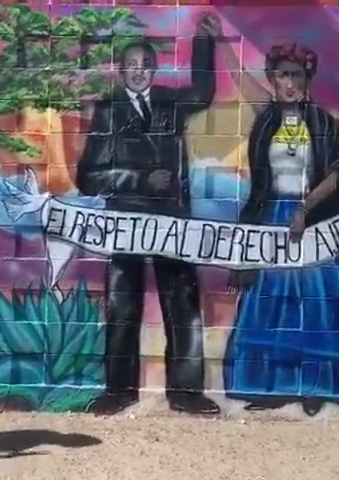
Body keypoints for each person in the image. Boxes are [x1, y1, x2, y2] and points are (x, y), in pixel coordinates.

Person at [76, 13, 221, 416]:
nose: (139, 73)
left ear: (154, 71)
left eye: (145, 66)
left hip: (171, 221)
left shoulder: (169, 104)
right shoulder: (108, 112)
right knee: (123, 305)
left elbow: (204, 92)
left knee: (183, 304)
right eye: (132, 67)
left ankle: (186, 392)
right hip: (125, 224)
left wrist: (205, 45)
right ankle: (119, 390)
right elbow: (88, 177)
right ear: (121, 72)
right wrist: (140, 180)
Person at [222, 43, 339, 414]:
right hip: (271, 216)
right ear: (273, 80)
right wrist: (222, 44)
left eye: (296, 75)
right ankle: (273, 385)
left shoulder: (320, 120)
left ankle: (316, 385)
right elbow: (242, 83)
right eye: (281, 75)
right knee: (271, 301)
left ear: (307, 79)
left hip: (314, 220)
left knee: (318, 301)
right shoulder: (268, 118)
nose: (288, 83)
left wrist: (306, 210)